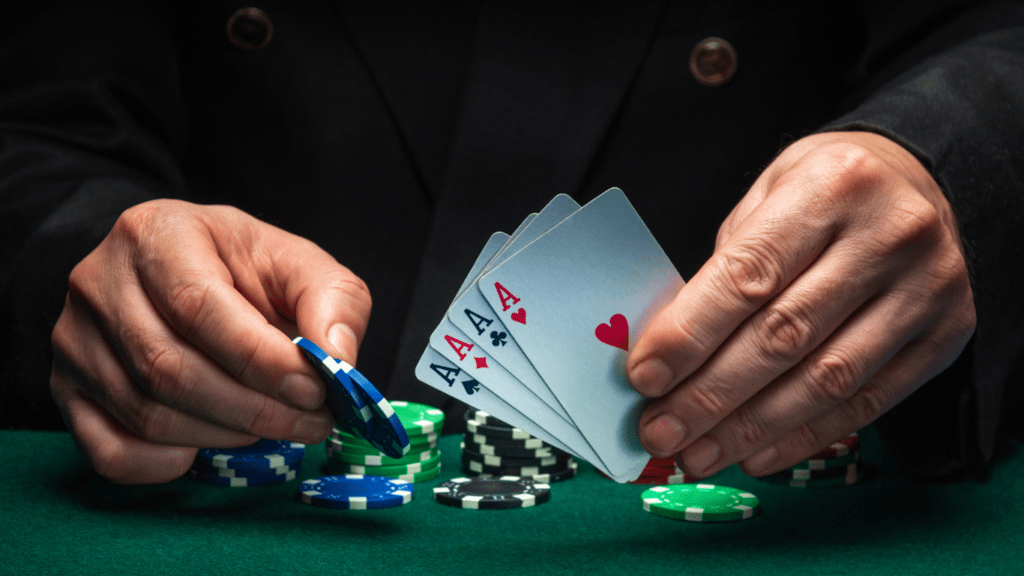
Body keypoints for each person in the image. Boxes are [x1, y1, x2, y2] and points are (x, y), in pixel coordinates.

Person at [1, 1, 1021, 485]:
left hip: (806, 463)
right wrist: (81, 248)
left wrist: (952, 162)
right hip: (220, 474)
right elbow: (37, 122)